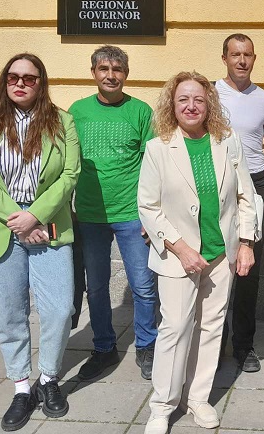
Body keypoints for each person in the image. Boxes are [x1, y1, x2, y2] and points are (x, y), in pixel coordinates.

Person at [138, 71, 257, 434]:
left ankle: (198, 398)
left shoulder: (227, 140)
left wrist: (247, 243)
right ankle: (162, 406)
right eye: (183, 100)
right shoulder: (158, 147)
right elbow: (148, 206)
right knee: (174, 329)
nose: (191, 106)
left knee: (210, 328)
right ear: (172, 106)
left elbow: (245, 196)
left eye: (199, 100)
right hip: (179, 257)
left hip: (222, 254)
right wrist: (180, 247)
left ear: (209, 105)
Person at [0, 53, 80, 431]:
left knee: (59, 307)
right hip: (2, 227)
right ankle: (21, 387)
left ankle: (48, 379)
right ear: (4, 82)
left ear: (41, 83)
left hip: (48, 225)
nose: (20, 83)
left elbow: (70, 173)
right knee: (11, 314)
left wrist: (36, 214)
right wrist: (19, 220)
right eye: (13, 77)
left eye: (29, 78)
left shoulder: (62, 121)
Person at [69, 45, 158, 381]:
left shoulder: (140, 111)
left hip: (132, 214)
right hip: (90, 215)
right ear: (93, 72)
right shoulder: (77, 112)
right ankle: (105, 347)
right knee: (97, 287)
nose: (110, 75)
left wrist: (152, 214)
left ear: (126, 74)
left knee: (143, 285)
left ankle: (147, 345)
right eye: (104, 68)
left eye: (117, 69)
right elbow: (66, 162)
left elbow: (153, 164)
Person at [216, 33, 264, 373]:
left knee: (248, 270)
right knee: (215, 266)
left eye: (247, 55)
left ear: (254, 59)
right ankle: (212, 346)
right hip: (217, 185)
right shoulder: (210, 94)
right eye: (235, 54)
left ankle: (243, 345)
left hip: (255, 184)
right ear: (225, 58)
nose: (241, 60)